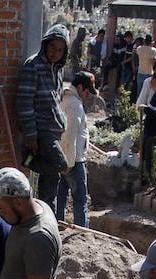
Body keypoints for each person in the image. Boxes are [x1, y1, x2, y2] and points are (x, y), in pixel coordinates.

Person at [17, 24, 70, 211]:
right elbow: (24, 103)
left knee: (51, 181)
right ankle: (28, 160)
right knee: (61, 165)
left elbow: (57, 99)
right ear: (45, 45)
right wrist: (31, 136)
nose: (55, 53)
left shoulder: (57, 69)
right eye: (52, 48)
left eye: (60, 50)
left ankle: (48, 216)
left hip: (54, 130)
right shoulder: (33, 66)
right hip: (42, 131)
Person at [58, 71, 94, 228]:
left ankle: (57, 224)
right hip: (74, 160)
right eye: (87, 91)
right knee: (80, 200)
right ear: (80, 87)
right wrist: (70, 164)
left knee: (60, 196)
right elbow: (70, 135)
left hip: (62, 157)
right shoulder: (76, 105)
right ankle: (82, 233)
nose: (87, 95)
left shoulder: (65, 100)